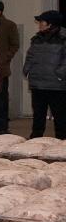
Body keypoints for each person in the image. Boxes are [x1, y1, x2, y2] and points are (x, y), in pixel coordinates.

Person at [23, 9, 66, 138]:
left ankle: (61, 142)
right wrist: (27, 70)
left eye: (41, 21)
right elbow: (30, 56)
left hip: (56, 85)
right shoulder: (37, 38)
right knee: (38, 115)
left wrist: (59, 74)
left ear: (50, 24)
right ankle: (35, 140)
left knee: (60, 116)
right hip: (37, 84)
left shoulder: (63, 38)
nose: (39, 24)